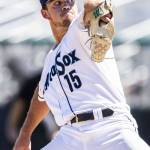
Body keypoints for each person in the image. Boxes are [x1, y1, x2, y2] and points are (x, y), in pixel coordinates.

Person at [13, 0, 150, 150]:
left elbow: (95, 6)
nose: (65, 5)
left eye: (69, 0)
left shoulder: (80, 27)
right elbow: (41, 95)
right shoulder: (50, 60)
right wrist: (25, 134)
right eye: (57, 3)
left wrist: (101, 13)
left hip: (110, 126)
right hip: (71, 136)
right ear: (45, 13)